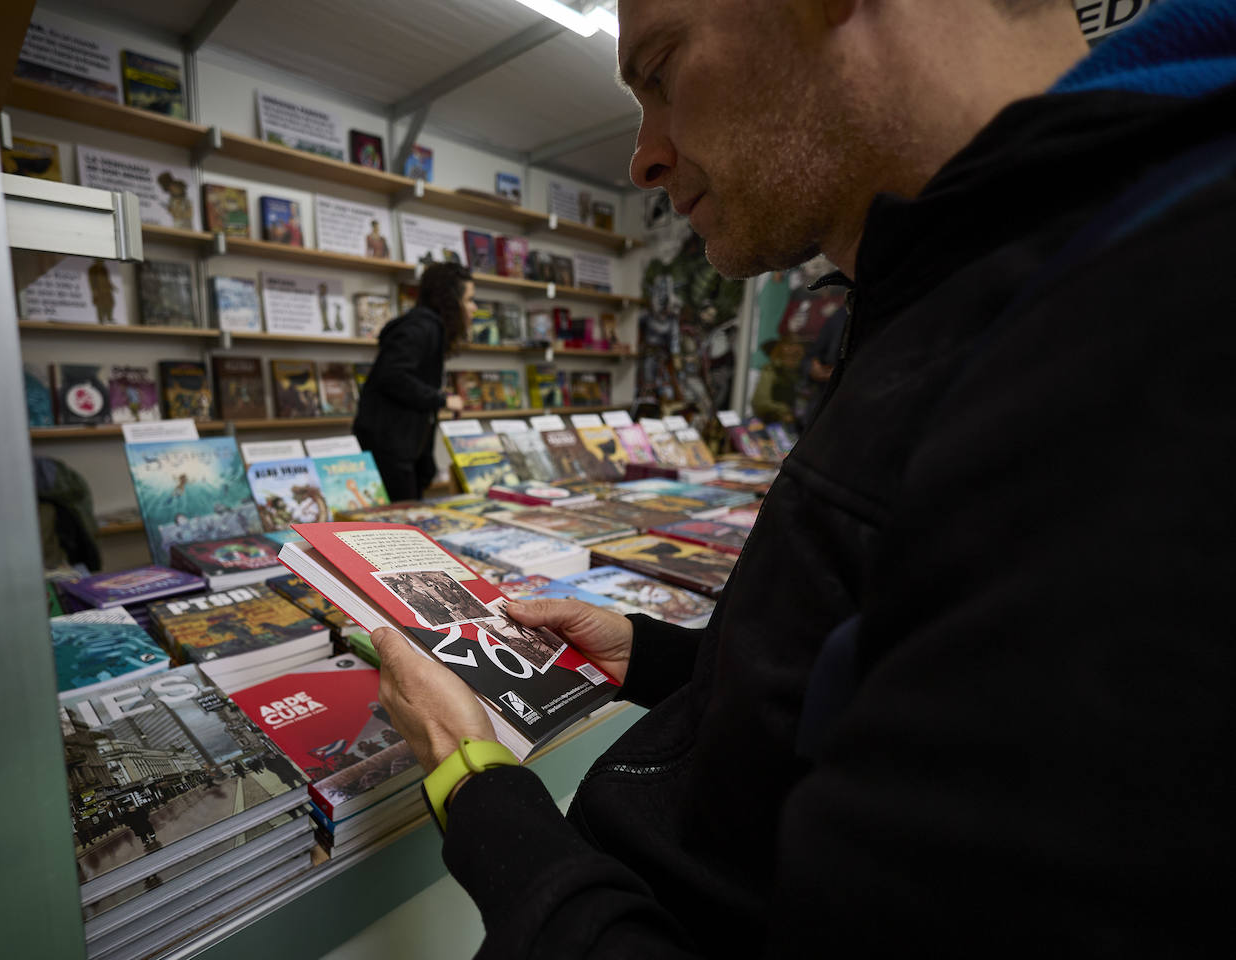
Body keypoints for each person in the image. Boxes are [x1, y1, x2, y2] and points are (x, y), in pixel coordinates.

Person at [371, 0, 1236, 955]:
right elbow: (870, 668)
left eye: (661, 68)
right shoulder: (964, 278)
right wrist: (660, 657)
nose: (644, 158)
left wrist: (478, 791)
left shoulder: (1155, 338)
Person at [353, 262, 470, 501]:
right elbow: (393, 375)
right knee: (401, 517)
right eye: (469, 300)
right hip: (390, 447)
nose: (473, 308)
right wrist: (442, 399)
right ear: (451, 301)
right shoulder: (421, 328)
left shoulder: (429, 328)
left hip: (405, 445)